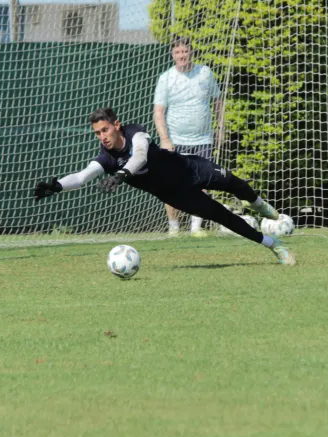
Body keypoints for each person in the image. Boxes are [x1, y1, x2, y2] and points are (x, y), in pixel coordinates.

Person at [33, 107, 295, 266]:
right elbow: (82, 176)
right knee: (223, 216)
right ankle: (274, 245)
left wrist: (122, 175)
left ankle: (261, 206)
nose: (102, 137)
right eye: (97, 133)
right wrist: (56, 186)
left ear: (116, 125)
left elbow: (140, 156)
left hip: (190, 168)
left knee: (235, 183)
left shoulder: (136, 132)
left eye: (105, 130)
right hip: (176, 195)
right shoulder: (106, 157)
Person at [153, 36, 222, 237]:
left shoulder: (205, 73)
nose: (182, 55)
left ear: (191, 52)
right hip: (176, 141)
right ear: (172, 55)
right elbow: (158, 112)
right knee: (172, 185)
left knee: (201, 183)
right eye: (177, 52)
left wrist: (221, 126)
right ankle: (173, 229)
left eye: (185, 51)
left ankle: (196, 228)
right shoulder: (166, 78)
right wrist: (165, 139)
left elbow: (218, 101)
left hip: (203, 139)